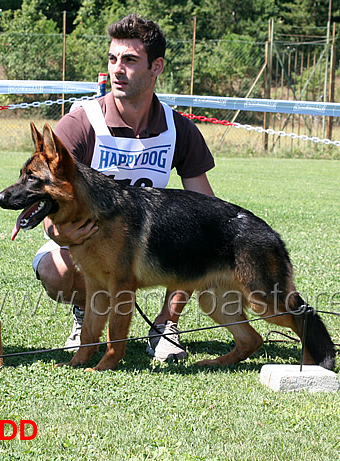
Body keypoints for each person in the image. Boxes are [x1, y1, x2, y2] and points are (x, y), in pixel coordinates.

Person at [32, 14, 215, 362]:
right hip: (87, 242)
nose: (118, 69)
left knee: (198, 240)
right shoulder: (82, 123)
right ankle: (87, 316)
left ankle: (165, 324)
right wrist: (62, 233)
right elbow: (48, 204)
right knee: (54, 270)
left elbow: (206, 210)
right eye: (113, 59)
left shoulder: (179, 129)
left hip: (147, 246)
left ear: (156, 66)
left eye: (130, 60)